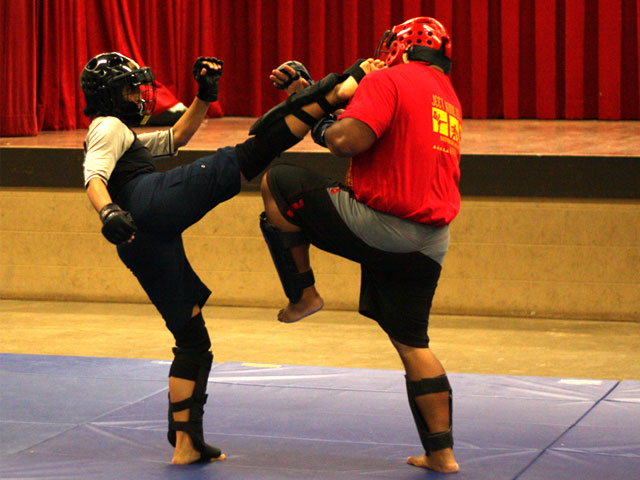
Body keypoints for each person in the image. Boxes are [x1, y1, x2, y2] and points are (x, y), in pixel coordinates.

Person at [80, 51, 375, 465]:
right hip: (144, 205)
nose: (137, 95)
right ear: (110, 95)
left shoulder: (117, 132)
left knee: (193, 340)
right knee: (251, 153)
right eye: (130, 88)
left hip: (137, 238)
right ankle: (340, 88)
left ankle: (187, 445)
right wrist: (106, 210)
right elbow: (93, 175)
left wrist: (203, 97)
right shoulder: (108, 126)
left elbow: (176, 139)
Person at [259, 17, 461, 474]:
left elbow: (346, 140)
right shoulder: (445, 94)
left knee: (278, 180)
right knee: (412, 343)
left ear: (396, 47)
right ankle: (441, 454)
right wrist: (309, 92)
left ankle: (303, 293)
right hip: (431, 241)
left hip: (386, 227)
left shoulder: (389, 78)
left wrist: (317, 120)